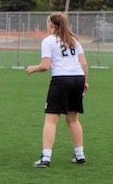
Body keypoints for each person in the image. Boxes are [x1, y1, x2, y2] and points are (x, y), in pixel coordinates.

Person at [26, 12, 89, 168]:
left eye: (47, 23)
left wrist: (33, 68)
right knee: (73, 119)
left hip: (62, 80)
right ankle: (80, 155)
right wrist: (84, 82)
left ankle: (46, 158)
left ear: (51, 25)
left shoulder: (48, 41)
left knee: (51, 120)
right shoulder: (73, 40)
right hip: (77, 78)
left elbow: (45, 65)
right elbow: (84, 63)